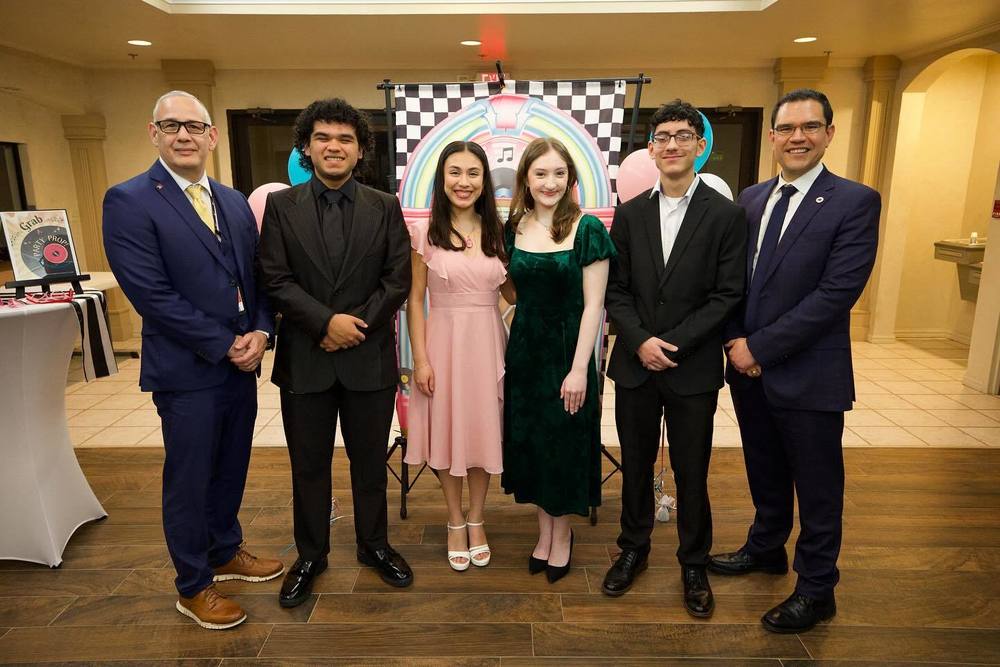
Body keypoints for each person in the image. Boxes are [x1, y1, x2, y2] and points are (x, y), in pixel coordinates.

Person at [103, 90, 283, 630]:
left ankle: (224, 550)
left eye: (194, 126)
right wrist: (225, 342)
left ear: (212, 136)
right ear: (153, 133)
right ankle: (193, 584)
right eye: (171, 125)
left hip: (240, 364)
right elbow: (151, 294)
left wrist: (261, 331)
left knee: (230, 465)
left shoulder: (233, 201)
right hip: (187, 370)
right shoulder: (129, 200)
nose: (184, 135)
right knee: (190, 477)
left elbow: (256, 277)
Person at [709, 89, 880, 633]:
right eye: (786, 128)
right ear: (773, 137)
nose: (797, 137)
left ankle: (816, 588)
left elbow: (836, 294)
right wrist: (736, 342)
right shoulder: (751, 198)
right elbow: (733, 281)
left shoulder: (855, 201)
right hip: (748, 371)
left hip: (809, 374)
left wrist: (759, 347)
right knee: (764, 467)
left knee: (818, 485)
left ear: (829, 133)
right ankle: (766, 547)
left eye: (809, 127)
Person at [257, 98, 413, 606]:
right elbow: (274, 279)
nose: (334, 146)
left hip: (368, 359)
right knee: (308, 467)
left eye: (346, 138)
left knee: (370, 465)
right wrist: (325, 323)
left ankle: (374, 545)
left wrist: (352, 327)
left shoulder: (384, 206)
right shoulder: (281, 207)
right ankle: (311, 555)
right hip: (306, 359)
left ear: (361, 149)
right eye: (323, 137)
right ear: (306, 146)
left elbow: (397, 280)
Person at [602, 99, 747, 617]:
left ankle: (693, 562)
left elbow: (728, 294)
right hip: (635, 365)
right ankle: (633, 548)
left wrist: (673, 345)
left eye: (683, 136)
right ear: (651, 149)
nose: (672, 145)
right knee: (636, 466)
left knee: (691, 470)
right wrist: (641, 340)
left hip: (693, 369)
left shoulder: (727, 215)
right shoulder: (630, 214)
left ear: (700, 146)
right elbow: (616, 289)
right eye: (662, 137)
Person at [502, 137, 616, 584]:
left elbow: (594, 306)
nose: (550, 182)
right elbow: (511, 290)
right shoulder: (515, 226)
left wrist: (578, 369)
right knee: (533, 443)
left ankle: (562, 535)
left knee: (563, 444)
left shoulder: (588, 230)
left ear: (570, 179)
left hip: (570, 353)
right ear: (526, 179)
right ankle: (543, 532)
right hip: (526, 352)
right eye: (540, 173)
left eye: (559, 173)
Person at [405, 141, 512, 571]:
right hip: (443, 343)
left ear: (485, 180)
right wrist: (421, 359)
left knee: (482, 431)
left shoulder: (499, 231)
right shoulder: (423, 233)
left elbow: (513, 293)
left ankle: (477, 519)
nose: (463, 182)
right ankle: (454, 520)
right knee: (448, 433)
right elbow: (415, 300)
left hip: (488, 342)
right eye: (455, 172)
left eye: (473, 173)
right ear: (442, 178)